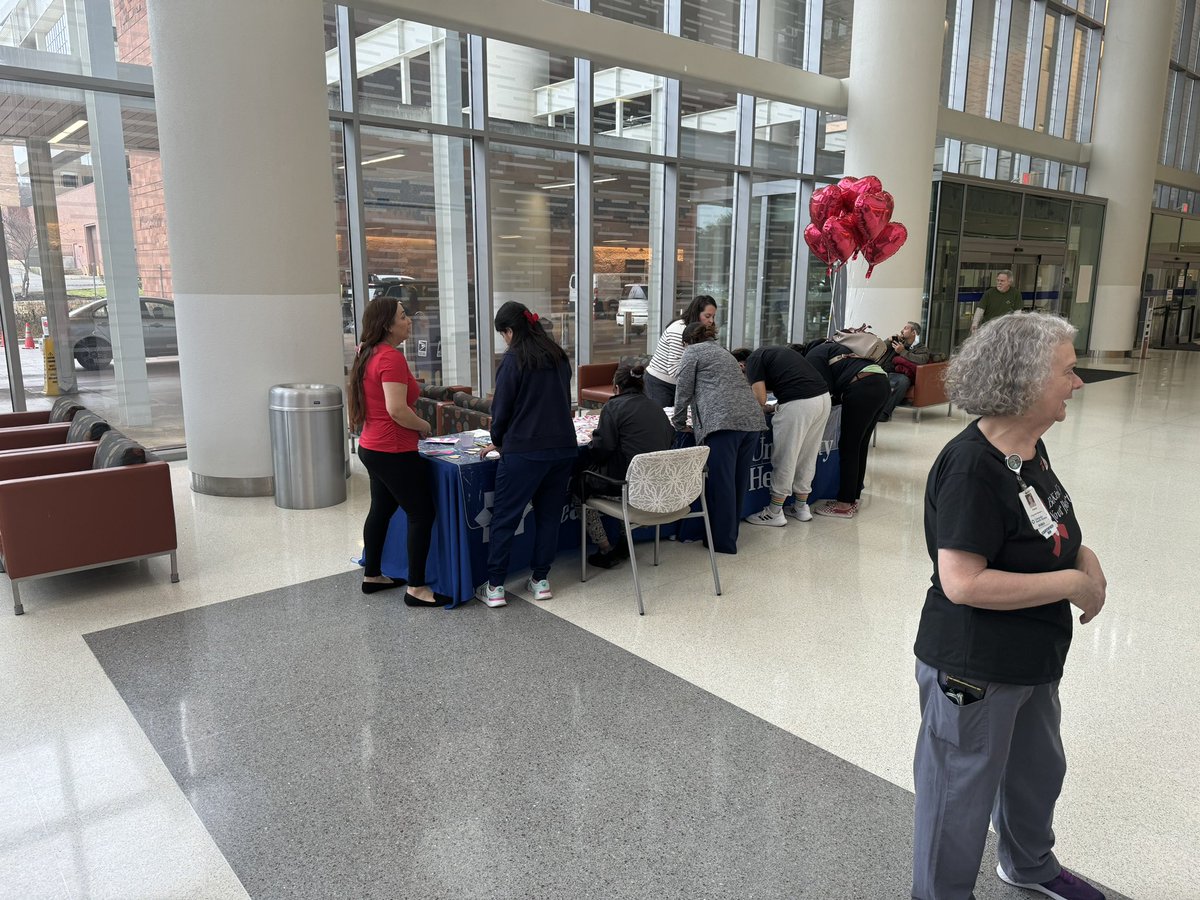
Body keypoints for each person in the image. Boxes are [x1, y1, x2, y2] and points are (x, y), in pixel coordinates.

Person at [912, 313, 1106, 900]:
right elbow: (963, 583)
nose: (1078, 383)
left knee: (1036, 773)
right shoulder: (972, 467)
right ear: (1023, 379)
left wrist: (1085, 557)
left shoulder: (1027, 448)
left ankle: (1028, 864)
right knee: (959, 792)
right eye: (1068, 371)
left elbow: (1046, 530)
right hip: (975, 664)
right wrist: (1073, 585)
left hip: (1031, 657)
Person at [475, 301, 576, 609]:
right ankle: (541, 580)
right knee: (548, 518)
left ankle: (495, 587)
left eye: (503, 334)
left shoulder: (513, 360)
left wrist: (499, 442)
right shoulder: (559, 356)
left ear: (509, 331)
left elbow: (502, 410)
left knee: (505, 518)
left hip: (524, 453)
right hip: (562, 449)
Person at [347, 296, 444, 608]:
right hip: (394, 449)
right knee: (421, 513)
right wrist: (424, 426)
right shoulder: (390, 358)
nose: (409, 320)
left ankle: (373, 574)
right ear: (388, 325)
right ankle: (416, 587)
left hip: (372, 446)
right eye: (403, 316)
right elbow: (398, 410)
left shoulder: (367, 351)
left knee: (382, 509)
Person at [670, 322, 766, 553]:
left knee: (721, 484)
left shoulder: (692, 352)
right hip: (751, 421)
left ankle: (722, 542)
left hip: (723, 424)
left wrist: (679, 423)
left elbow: (682, 391)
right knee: (738, 481)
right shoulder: (723, 352)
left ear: (686, 342)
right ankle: (729, 535)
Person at [581, 361, 676, 569]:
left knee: (579, 489)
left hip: (627, 488)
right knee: (625, 478)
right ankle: (624, 542)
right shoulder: (656, 407)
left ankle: (606, 548)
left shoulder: (613, 407)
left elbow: (601, 450)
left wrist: (594, 439)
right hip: (656, 486)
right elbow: (669, 438)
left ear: (616, 387)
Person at [735, 345, 831, 526]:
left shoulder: (754, 361)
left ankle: (774, 511)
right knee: (807, 455)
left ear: (741, 365)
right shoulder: (770, 353)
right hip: (823, 399)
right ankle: (801, 507)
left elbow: (759, 400)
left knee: (786, 457)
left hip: (800, 404)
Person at [804, 338, 890, 518]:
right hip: (881, 382)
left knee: (849, 446)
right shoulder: (836, 348)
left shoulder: (813, 355)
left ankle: (843, 505)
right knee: (860, 444)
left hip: (861, 386)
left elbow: (823, 390)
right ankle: (853, 496)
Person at [643, 295, 719, 408]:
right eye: (707, 316)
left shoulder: (700, 331)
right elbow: (674, 370)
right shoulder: (678, 330)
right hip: (660, 382)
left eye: (713, 316)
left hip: (680, 383)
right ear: (696, 313)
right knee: (662, 420)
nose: (711, 321)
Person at [877, 320, 932, 422]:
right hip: (885, 371)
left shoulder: (922, 348)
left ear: (913, 333)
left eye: (906, 328)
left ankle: (884, 413)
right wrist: (889, 340)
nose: (902, 330)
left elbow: (921, 360)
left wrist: (902, 352)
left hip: (902, 375)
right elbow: (880, 349)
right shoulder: (898, 341)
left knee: (903, 381)